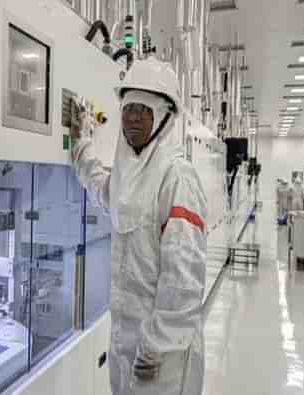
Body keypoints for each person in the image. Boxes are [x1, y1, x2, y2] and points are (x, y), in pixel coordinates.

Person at [71, 57, 207, 395]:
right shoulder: (129, 170)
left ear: (163, 118)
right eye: (129, 107)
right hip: (124, 341)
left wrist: (157, 345)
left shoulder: (177, 177)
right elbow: (105, 191)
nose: (132, 118)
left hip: (162, 353)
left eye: (144, 110)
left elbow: (183, 277)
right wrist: (81, 145)